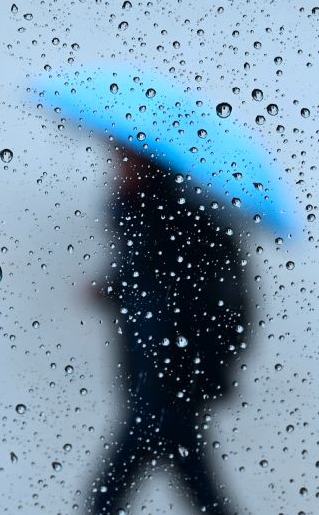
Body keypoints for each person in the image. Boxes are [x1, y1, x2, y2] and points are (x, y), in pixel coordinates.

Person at [87, 150, 251, 515]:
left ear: (149, 167)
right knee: (197, 483)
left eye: (126, 163)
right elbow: (146, 282)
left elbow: (180, 294)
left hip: (167, 378)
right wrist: (111, 288)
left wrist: (191, 370)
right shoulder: (146, 219)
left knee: (109, 491)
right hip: (157, 376)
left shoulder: (172, 221)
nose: (118, 171)